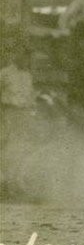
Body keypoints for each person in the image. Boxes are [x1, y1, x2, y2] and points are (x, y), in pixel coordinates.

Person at [0, 45, 36, 195]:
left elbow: (30, 96)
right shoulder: (4, 73)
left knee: (23, 148)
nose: (25, 59)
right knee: (8, 146)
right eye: (22, 55)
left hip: (24, 114)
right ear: (15, 55)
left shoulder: (28, 75)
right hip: (9, 112)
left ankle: (16, 183)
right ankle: (5, 183)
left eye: (27, 56)